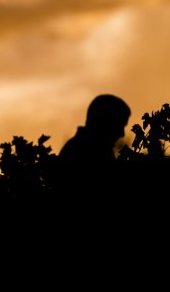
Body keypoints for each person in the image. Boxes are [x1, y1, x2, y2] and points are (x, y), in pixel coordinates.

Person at [55, 94, 132, 225]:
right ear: (105, 122)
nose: (122, 134)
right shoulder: (83, 152)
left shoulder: (90, 150)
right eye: (119, 125)